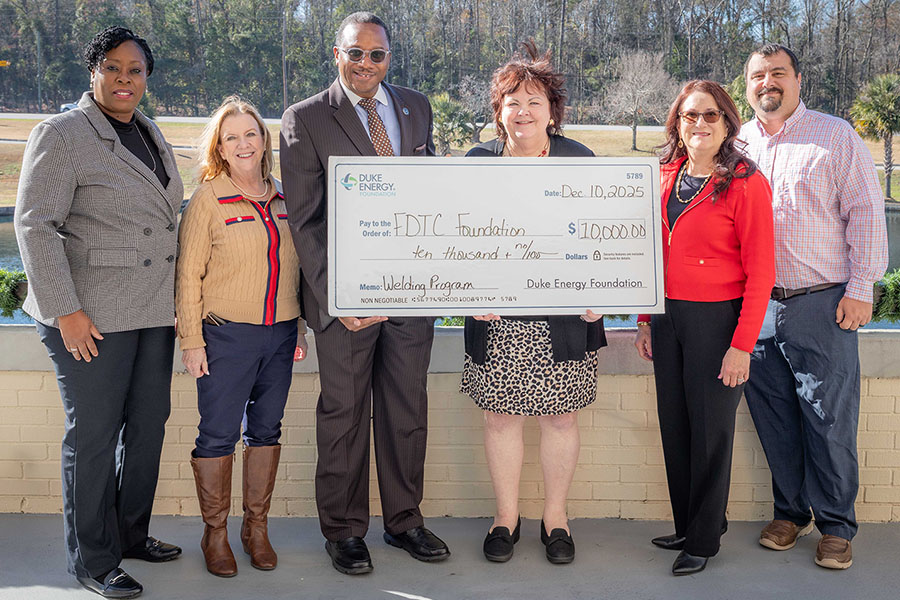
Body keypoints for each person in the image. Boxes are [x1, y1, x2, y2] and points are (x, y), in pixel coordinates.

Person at [14, 26, 183, 598]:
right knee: (93, 436)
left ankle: (130, 535)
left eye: (135, 70)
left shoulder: (150, 131)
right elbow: (34, 224)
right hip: (91, 315)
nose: (124, 79)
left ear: (146, 78)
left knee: (147, 428)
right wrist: (66, 310)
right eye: (112, 67)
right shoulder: (61, 133)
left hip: (153, 311)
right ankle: (92, 559)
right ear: (93, 71)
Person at [280, 11, 449, 575]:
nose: (366, 64)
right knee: (345, 414)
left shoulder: (415, 107)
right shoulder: (306, 118)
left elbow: (430, 192)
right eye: (355, 53)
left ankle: (404, 521)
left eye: (376, 54)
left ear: (388, 58)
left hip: (410, 293)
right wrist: (338, 299)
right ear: (338, 55)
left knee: (407, 409)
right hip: (347, 299)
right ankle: (345, 531)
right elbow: (305, 222)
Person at [740, 44, 888, 570]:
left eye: (778, 73)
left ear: (798, 79)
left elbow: (865, 212)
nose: (768, 82)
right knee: (775, 419)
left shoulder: (834, 136)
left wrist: (862, 287)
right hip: (756, 309)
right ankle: (790, 512)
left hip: (822, 303)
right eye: (758, 75)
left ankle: (836, 526)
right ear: (747, 85)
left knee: (829, 420)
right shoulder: (737, 144)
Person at [460, 42, 606, 566]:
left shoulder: (578, 160)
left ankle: (556, 519)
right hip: (497, 318)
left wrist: (603, 292)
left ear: (552, 111)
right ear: (498, 111)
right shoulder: (477, 163)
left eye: (534, 102)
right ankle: (505, 518)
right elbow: (457, 238)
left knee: (561, 419)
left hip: (564, 317)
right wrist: (467, 291)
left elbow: (603, 235)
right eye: (513, 102)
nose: (523, 112)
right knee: (500, 419)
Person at [633, 80, 775, 575]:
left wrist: (742, 346)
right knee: (676, 424)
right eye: (690, 115)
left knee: (711, 431)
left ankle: (703, 540)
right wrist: (645, 318)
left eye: (710, 115)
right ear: (677, 123)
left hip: (717, 320)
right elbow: (646, 253)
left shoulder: (745, 182)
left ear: (727, 123)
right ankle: (690, 524)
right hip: (667, 317)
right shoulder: (663, 174)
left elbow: (762, 273)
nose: (699, 123)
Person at [175, 96, 307, 577]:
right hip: (225, 337)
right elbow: (187, 276)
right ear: (220, 147)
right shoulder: (209, 199)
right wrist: (192, 341)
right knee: (218, 434)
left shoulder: (285, 197)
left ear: (263, 140)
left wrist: (299, 327)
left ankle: (256, 529)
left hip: (280, 335)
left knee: (266, 431)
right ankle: (215, 534)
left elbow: (297, 270)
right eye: (231, 137)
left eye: (250, 133)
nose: (243, 143)